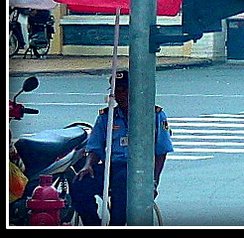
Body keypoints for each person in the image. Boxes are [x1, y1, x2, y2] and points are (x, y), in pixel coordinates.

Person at [71, 70, 174, 226]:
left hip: (138, 170)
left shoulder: (153, 115)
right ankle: (92, 224)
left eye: (125, 90)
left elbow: (161, 151)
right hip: (111, 167)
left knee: (122, 182)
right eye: (117, 91)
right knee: (80, 182)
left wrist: (154, 182)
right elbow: (95, 147)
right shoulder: (107, 116)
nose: (121, 95)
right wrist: (88, 165)